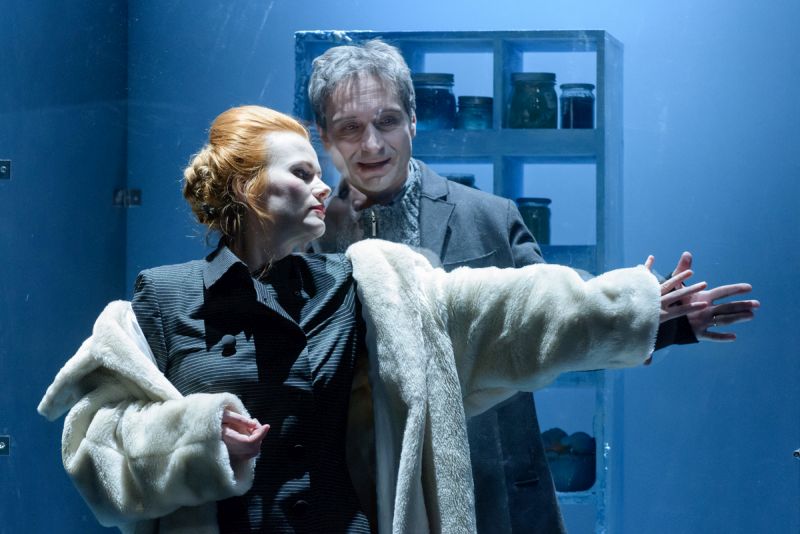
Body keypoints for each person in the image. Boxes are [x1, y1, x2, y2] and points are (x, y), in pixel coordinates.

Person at [38, 105, 707, 534]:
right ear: (247, 187)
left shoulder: (363, 287)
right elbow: (96, 445)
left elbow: (507, 313)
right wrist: (196, 437)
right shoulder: (164, 298)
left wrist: (644, 312)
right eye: (302, 172)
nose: (323, 185)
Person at [307, 40, 761, 532]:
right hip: (356, 498)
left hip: (495, 497)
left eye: (388, 121)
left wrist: (660, 319)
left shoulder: (489, 217)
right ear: (323, 136)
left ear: (413, 121)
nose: (373, 145)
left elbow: (559, 314)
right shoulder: (304, 236)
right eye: (350, 128)